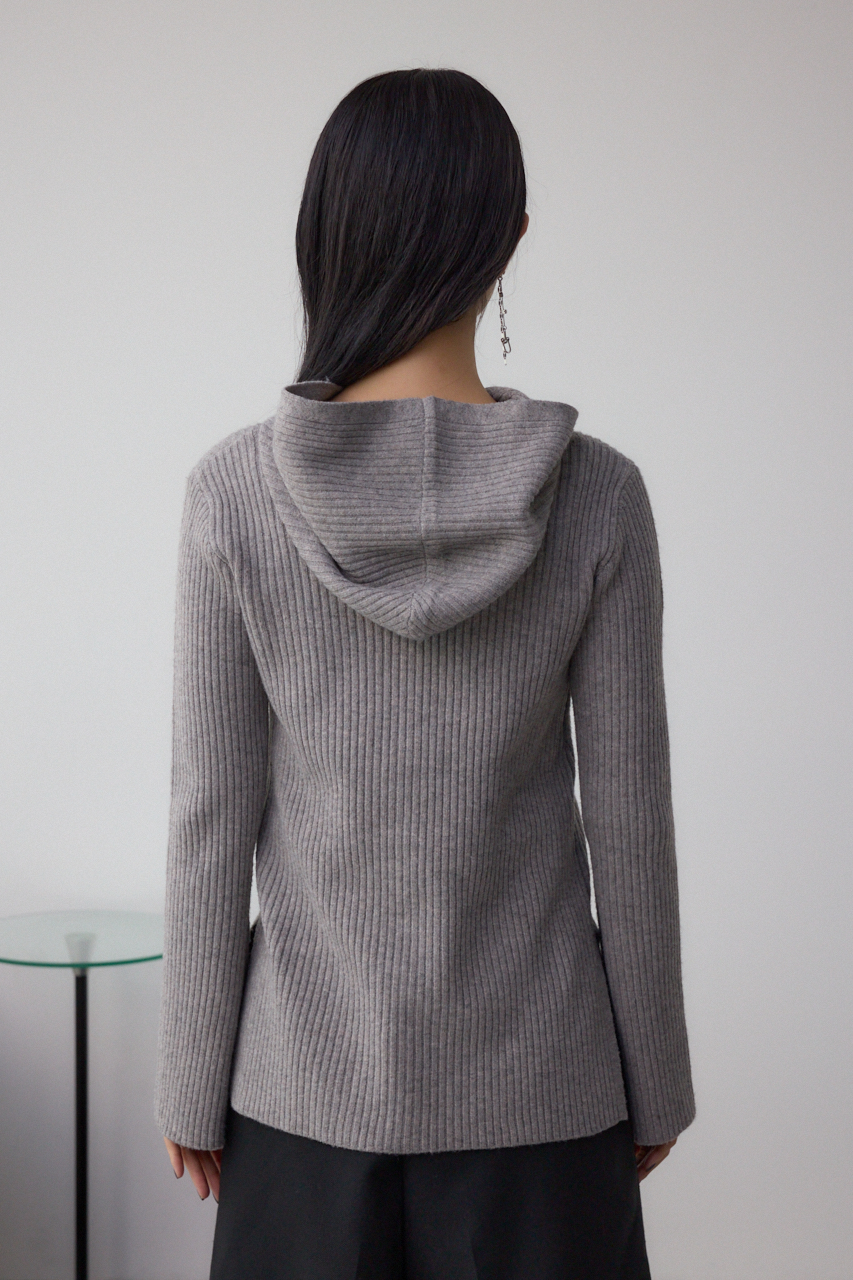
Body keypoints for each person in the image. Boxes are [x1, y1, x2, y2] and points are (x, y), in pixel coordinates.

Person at [155, 67, 696, 1279]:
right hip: (546, 1104)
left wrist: (191, 1076)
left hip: (302, 1103)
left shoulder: (233, 492)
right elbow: (629, 817)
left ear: (325, 235)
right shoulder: (598, 494)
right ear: (510, 237)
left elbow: (210, 812)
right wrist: (654, 1077)